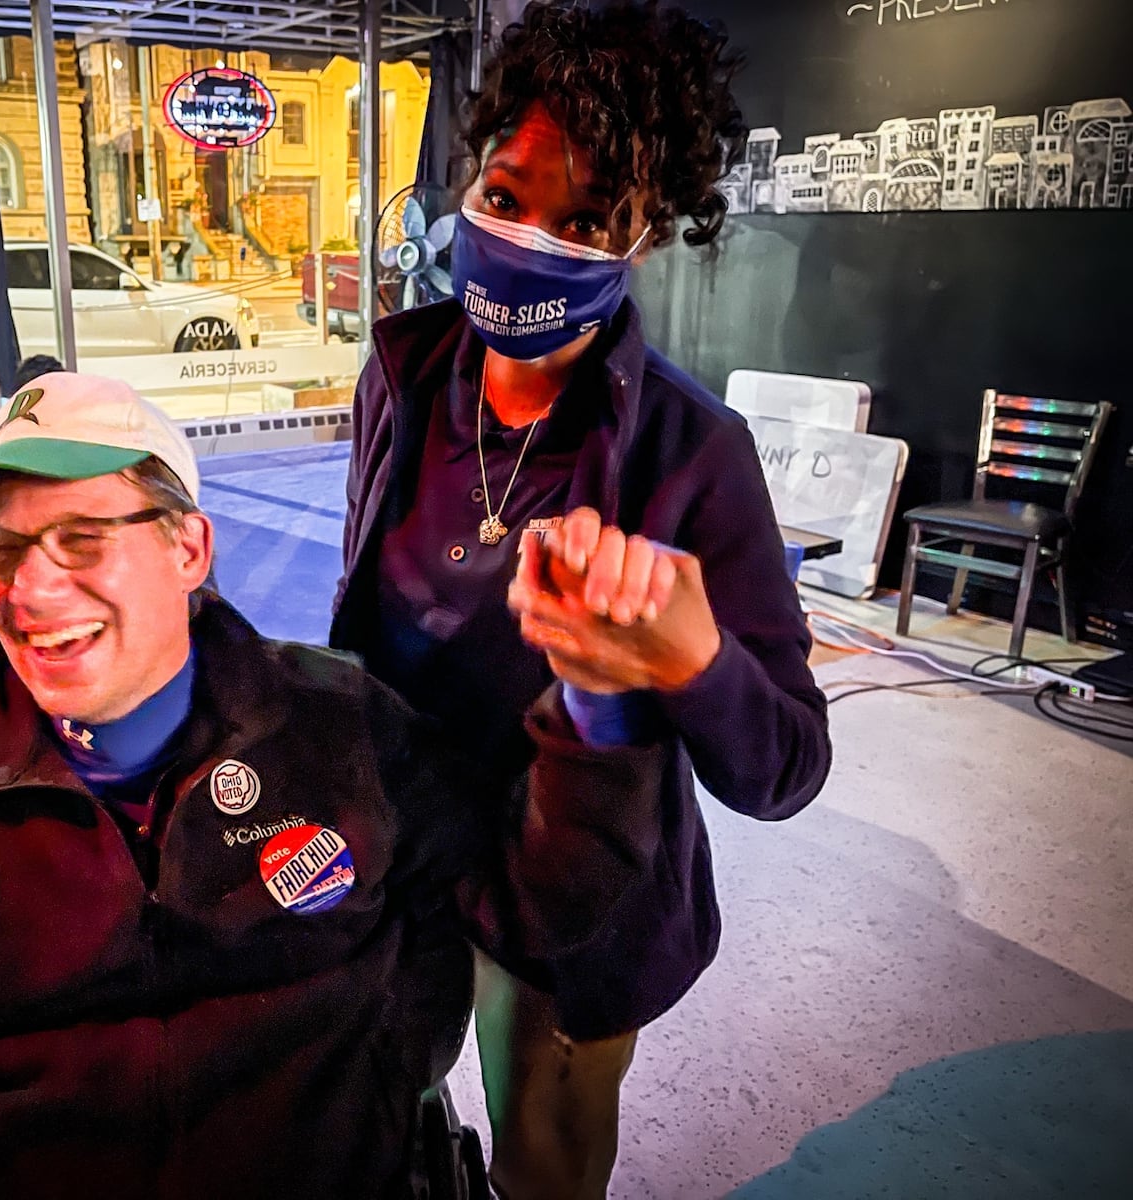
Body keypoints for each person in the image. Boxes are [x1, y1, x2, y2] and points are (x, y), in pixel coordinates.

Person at [0, 371, 682, 1199]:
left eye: (79, 539)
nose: (28, 590)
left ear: (187, 549)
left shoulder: (345, 729)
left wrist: (600, 706)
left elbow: (537, 908)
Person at [329, 3, 833, 1196]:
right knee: (370, 1104)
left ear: (645, 233)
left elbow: (785, 769)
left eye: (584, 221)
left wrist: (690, 659)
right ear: (470, 177)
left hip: (574, 864)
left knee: (544, 1158)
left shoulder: (692, 451)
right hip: (398, 825)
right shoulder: (402, 370)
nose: (527, 238)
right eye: (504, 197)